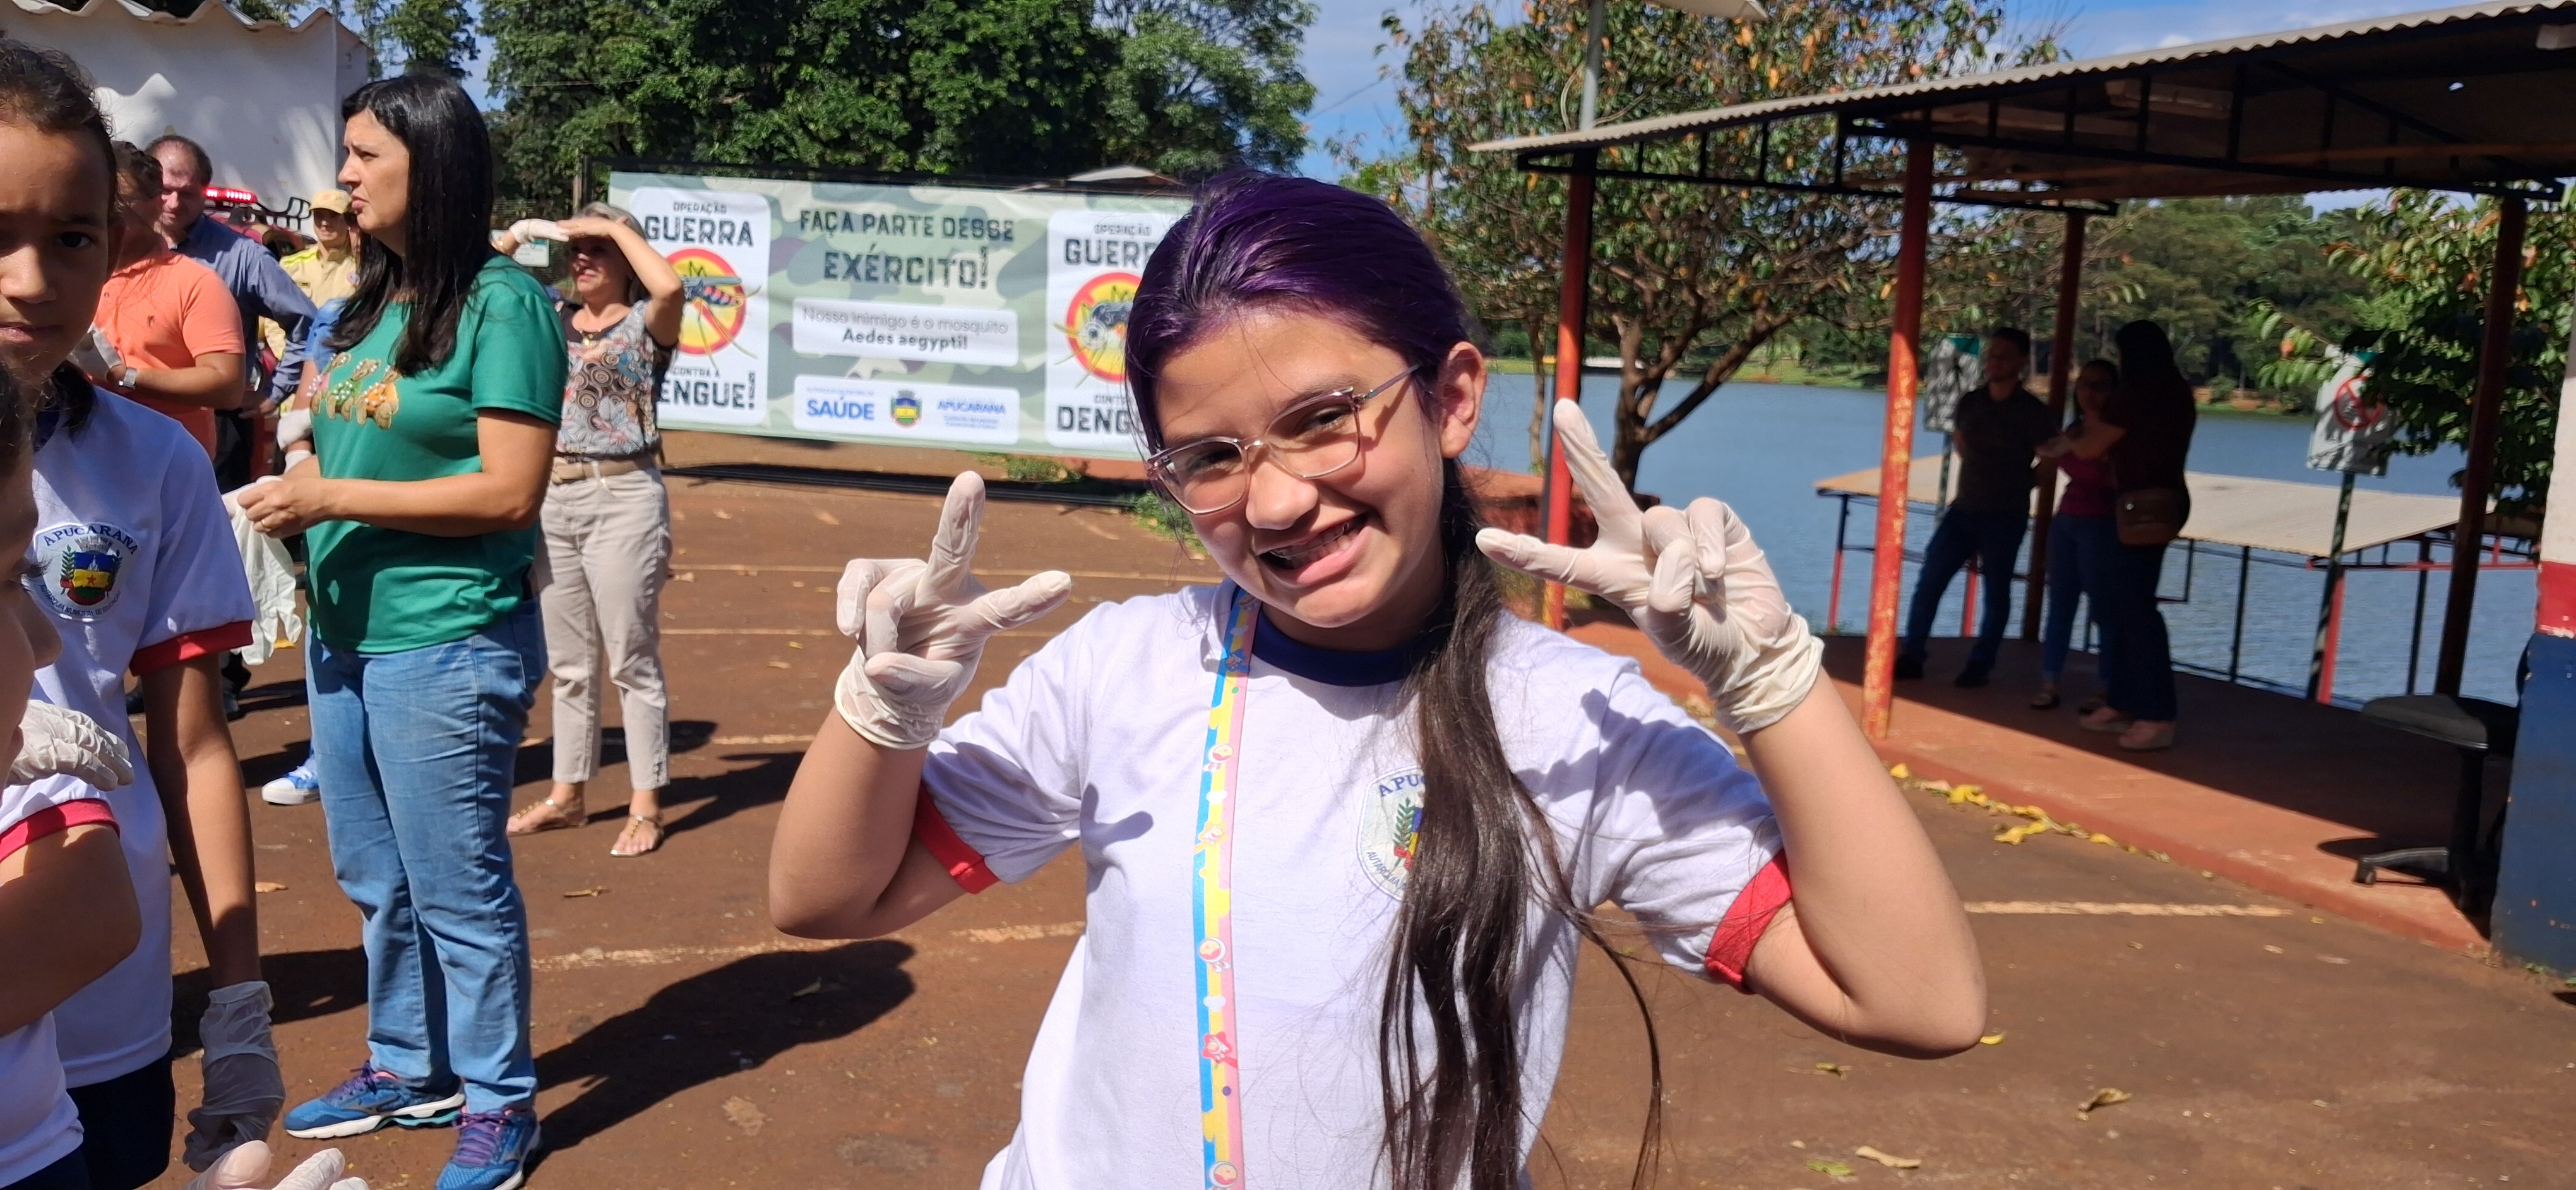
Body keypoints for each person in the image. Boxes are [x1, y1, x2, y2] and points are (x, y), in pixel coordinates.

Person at [768, 173, 1984, 1189]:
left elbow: (1918, 1001)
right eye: (1210, 457)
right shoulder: (1125, 665)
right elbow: (828, 896)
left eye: (1326, 417)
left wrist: (1773, 683)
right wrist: (884, 708)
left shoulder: (1583, 721)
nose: (1281, 496)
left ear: (1451, 398)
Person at [236, 74, 564, 1190]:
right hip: (347, 632)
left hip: (447, 637)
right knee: (376, 874)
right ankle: (408, 1061)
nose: (343, 176)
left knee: (458, 884)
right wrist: (297, 478)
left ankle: (499, 1100)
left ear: (433, 162)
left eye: (366, 155)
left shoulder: (502, 303)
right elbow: (334, 437)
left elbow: (510, 492)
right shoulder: (371, 302)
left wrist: (331, 501)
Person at [0, 46, 282, 1189]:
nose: (31, 277)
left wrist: (240, 1000)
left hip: (104, 990)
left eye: (71, 235)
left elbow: (195, 738)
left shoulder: (156, 460)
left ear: (115, 248)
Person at [493, 205, 683, 857]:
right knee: (570, 664)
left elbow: (671, 288)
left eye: (597, 250)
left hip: (624, 495)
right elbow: (479, 278)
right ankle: (568, 795)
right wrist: (524, 235)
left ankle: (646, 804)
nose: (582, 259)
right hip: (554, 500)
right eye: (577, 250)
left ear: (626, 257)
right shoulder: (550, 319)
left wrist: (614, 228)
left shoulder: (646, 323)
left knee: (631, 657)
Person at [257, 191, 365, 808]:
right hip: (326, 490)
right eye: (321, 218)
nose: (330, 228)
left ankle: (372, 760)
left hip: (392, 499)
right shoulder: (330, 309)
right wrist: (300, 461)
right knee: (327, 617)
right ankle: (326, 759)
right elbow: (306, 393)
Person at [2053, 321, 2196, 752]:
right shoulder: (2176, 390)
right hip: (2162, 501)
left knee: (2132, 609)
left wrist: (2065, 442)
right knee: (2124, 604)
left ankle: (2155, 713)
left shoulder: (2139, 392)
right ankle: (2125, 700)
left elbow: (2091, 446)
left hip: (2139, 508)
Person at [149, 135, 316, 488]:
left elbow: (308, 324)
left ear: (205, 192)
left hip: (218, 429)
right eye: (164, 190)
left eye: (188, 193)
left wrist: (274, 394)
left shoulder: (242, 256)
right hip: (135, 414)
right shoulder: (116, 247)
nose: (174, 203)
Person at [1895, 327, 2057, 688]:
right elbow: (1961, 442)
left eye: (2003, 356)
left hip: (2006, 515)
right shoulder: (1971, 402)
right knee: (1930, 581)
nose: (1994, 361)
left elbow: (2050, 462)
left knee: (1996, 592)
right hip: (1964, 510)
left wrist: (2018, 484)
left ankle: (1980, 665)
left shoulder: (2034, 412)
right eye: (1991, 355)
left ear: (2020, 363)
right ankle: (1912, 655)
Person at [92, 144, 246, 460]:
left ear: (154, 204)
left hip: (165, 474)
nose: (104, 210)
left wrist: (124, 375)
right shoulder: (75, 271)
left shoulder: (194, 283)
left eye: (118, 199)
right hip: (77, 466)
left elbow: (226, 386)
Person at [2031, 359, 2125, 711]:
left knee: (2103, 607)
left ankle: (2105, 687)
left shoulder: (2115, 432)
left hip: (2100, 524)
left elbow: (2101, 468)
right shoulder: (2076, 428)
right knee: (2060, 604)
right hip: (2067, 520)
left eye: (2099, 385)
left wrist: (2064, 448)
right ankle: (2050, 681)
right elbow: (2052, 460)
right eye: (2084, 384)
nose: (2089, 392)